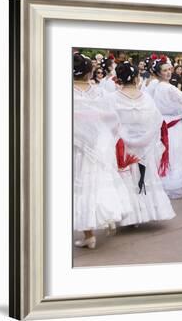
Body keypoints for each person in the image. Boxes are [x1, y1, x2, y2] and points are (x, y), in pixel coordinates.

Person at [72, 52, 132, 249]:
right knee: (99, 184)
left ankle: (89, 234)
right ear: (90, 72)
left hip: (77, 146)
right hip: (98, 144)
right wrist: (105, 138)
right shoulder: (100, 92)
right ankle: (107, 217)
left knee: (82, 188)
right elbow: (113, 119)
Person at [108, 61, 176, 227]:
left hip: (123, 148)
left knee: (127, 179)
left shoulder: (111, 98)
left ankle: (131, 216)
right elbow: (156, 121)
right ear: (137, 77)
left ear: (118, 79)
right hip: (144, 146)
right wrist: (146, 139)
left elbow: (108, 123)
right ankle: (144, 213)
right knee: (145, 177)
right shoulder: (146, 98)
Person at [152, 56, 182, 198]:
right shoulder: (168, 88)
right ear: (158, 72)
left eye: (169, 70)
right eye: (164, 70)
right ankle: (181, 180)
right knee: (181, 154)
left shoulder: (156, 86)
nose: (168, 72)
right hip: (176, 126)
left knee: (173, 154)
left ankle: (168, 177)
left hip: (166, 124)